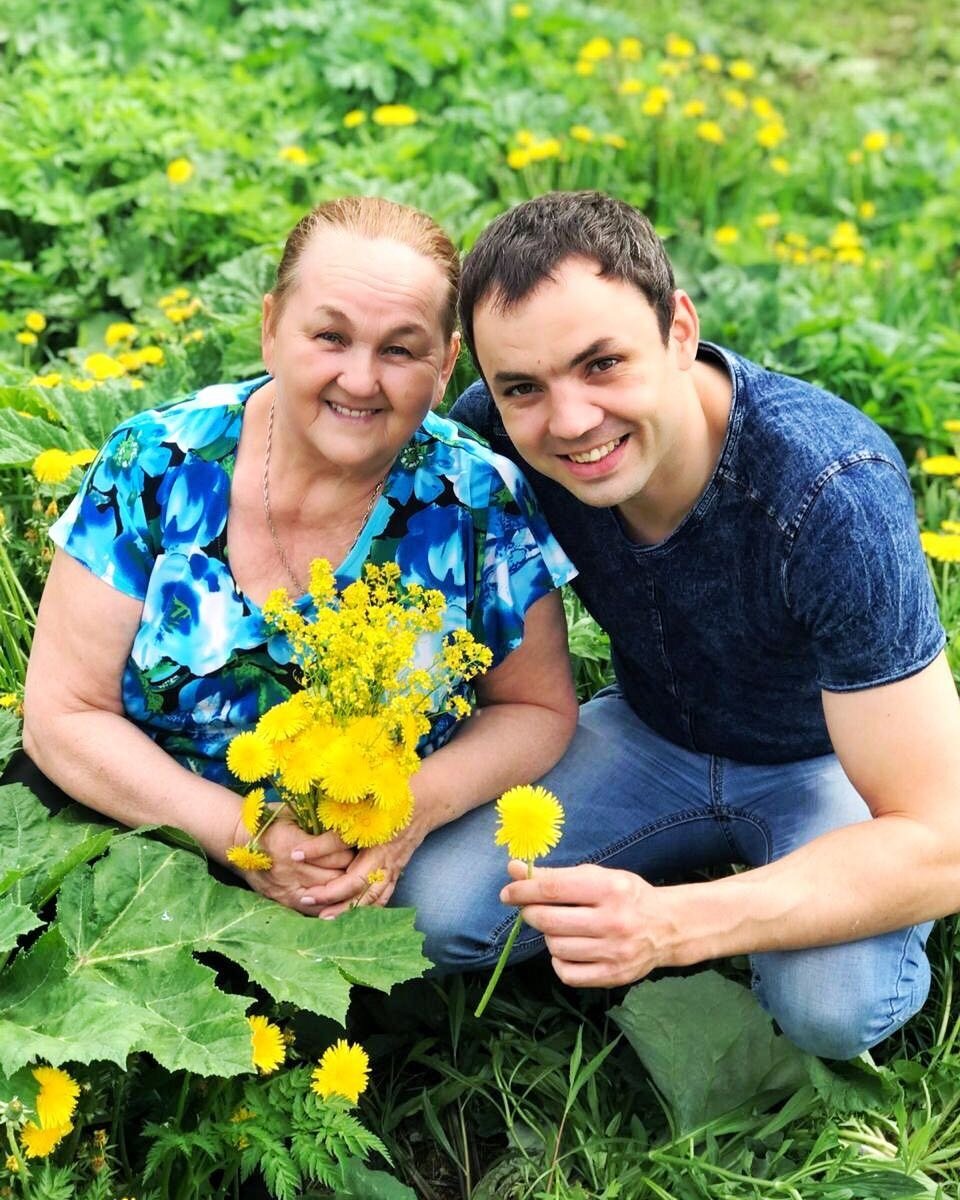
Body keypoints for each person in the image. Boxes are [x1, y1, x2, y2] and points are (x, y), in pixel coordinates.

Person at [393, 190, 960, 1059]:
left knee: (830, 1008)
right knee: (426, 912)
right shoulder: (497, 439)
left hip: (833, 763)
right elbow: (349, 442)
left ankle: (786, 901)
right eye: (523, 387)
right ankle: (709, 876)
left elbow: (943, 842)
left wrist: (671, 924)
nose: (572, 420)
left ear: (681, 329)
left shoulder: (829, 493)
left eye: (603, 364)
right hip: (650, 730)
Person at [19, 196, 578, 917]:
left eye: (400, 349)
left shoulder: (479, 501)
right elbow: (63, 713)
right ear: (271, 330)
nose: (360, 379)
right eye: (330, 337)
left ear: (445, 370)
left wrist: (413, 811)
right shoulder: (156, 464)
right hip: (136, 854)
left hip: (360, 880)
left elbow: (536, 708)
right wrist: (239, 833)